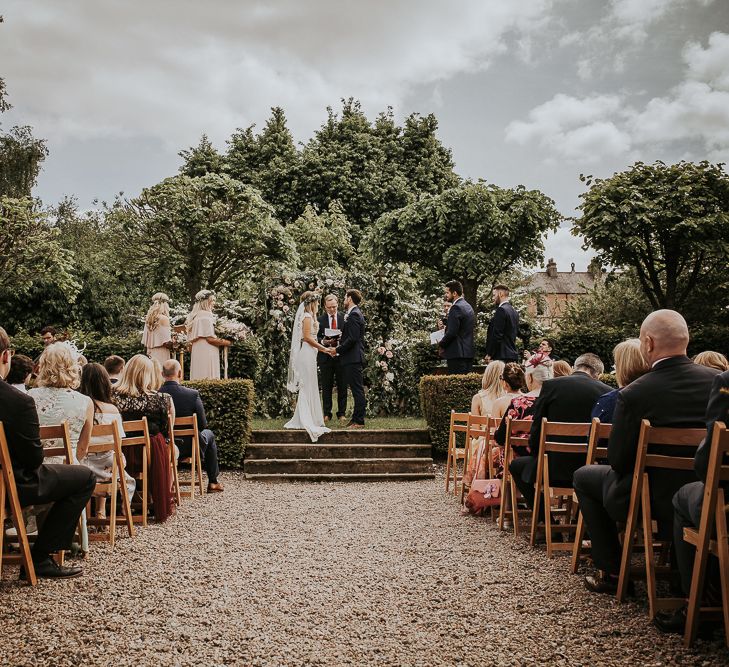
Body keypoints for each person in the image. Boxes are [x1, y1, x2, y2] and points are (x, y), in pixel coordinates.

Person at [573, 310, 719, 595]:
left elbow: (618, 459)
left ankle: (613, 572)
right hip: (708, 493)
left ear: (649, 343)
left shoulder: (636, 392)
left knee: (584, 476)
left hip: (647, 495)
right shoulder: (717, 382)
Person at [0, 326, 95, 579]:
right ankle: (40, 557)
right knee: (84, 477)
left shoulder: (29, 395)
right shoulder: (17, 401)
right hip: (13, 483)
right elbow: (33, 459)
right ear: (6, 356)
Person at [655, 368, 729, 635]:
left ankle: (695, 602)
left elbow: (708, 464)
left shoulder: (726, 382)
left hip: (725, 508)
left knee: (684, 496)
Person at [510, 353, 612, 515]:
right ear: (597, 375)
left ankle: (544, 521)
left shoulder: (551, 386)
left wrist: (539, 456)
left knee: (516, 466)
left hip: (550, 468)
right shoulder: (607, 392)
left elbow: (536, 432)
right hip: (588, 469)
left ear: (573, 368)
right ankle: (580, 527)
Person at [28, 341, 95, 554]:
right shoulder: (85, 402)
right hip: (67, 471)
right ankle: (55, 543)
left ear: (44, 366)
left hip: (33, 471)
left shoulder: (29, 397)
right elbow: (83, 448)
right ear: (73, 367)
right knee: (83, 475)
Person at [113, 354, 175, 522]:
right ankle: (154, 502)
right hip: (149, 456)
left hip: (121, 454)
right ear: (148, 374)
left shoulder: (113, 397)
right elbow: (164, 429)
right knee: (159, 439)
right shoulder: (160, 399)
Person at [78, 363, 136, 519]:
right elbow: (119, 442)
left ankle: (89, 514)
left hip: (83, 465)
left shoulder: (79, 407)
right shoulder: (113, 410)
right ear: (104, 383)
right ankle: (101, 511)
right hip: (107, 469)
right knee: (112, 457)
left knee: (99, 457)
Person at [160, 359, 224, 492]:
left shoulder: (156, 394)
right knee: (209, 434)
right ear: (180, 373)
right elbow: (202, 424)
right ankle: (213, 482)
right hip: (190, 446)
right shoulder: (192, 394)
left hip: (166, 446)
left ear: (162, 374)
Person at [285, 292, 333, 441]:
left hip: (311, 354)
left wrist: (322, 344)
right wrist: (324, 349)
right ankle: (305, 419)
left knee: (311, 385)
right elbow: (306, 338)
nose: (318, 304)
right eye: (317, 302)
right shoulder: (306, 317)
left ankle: (310, 417)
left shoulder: (310, 317)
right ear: (312, 303)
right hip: (306, 354)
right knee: (307, 386)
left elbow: (312, 337)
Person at [492, 361, 552, 477]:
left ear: (529, 378)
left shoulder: (518, 403)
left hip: (520, 462)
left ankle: (512, 493)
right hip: (553, 460)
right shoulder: (556, 402)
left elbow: (500, 439)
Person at [591, 339, 649, 423]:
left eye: (616, 363)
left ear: (621, 367)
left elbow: (595, 433)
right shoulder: (663, 398)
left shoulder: (610, 401)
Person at [335, 289, 367, 429]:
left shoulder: (354, 315)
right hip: (352, 357)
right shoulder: (354, 313)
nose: (343, 300)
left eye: (344, 298)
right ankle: (355, 419)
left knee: (357, 390)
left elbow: (353, 338)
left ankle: (359, 420)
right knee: (355, 389)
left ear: (349, 298)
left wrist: (337, 349)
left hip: (353, 357)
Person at [186, 289, 231, 381]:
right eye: (212, 301)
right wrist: (226, 342)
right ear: (206, 302)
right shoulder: (206, 315)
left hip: (197, 349)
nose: (214, 303)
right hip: (207, 349)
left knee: (198, 373)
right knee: (208, 375)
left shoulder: (194, 316)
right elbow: (209, 339)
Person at [317, 294, 347, 424]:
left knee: (342, 385)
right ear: (325, 307)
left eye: (334, 307)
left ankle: (341, 413)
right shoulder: (319, 320)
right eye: (329, 308)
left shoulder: (344, 318)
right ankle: (326, 413)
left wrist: (341, 341)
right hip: (326, 357)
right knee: (326, 386)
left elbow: (349, 336)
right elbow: (314, 338)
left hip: (341, 357)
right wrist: (324, 341)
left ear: (337, 304)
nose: (332, 310)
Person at [438, 280, 475, 374]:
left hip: (457, 354)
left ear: (454, 293)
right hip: (468, 353)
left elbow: (452, 332)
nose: (446, 295)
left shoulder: (456, 307)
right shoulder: (468, 306)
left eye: (447, 292)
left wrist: (441, 344)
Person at [485, 284, 519, 363]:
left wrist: (490, 353)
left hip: (501, 355)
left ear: (500, 294)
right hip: (512, 355)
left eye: (494, 295)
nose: (493, 298)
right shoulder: (514, 312)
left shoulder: (501, 310)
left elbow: (497, 334)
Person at [142, 292, 173, 364]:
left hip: (151, 352)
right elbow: (166, 342)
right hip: (161, 352)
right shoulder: (164, 319)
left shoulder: (149, 319)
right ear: (164, 304)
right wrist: (175, 343)